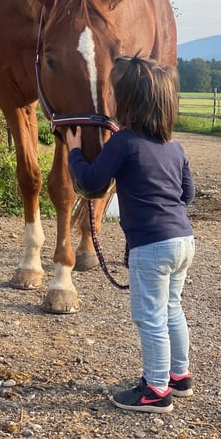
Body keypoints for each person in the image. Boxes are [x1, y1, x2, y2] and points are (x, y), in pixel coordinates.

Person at [65, 55, 196, 414]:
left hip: (152, 247)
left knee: (150, 316)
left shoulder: (124, 143)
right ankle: (178, 376)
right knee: (172, 308)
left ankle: (155, 390)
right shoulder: (175, 147)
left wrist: (74, 151)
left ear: (127, 102)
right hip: (183, 240)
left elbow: (92, 182)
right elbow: (187, 195)